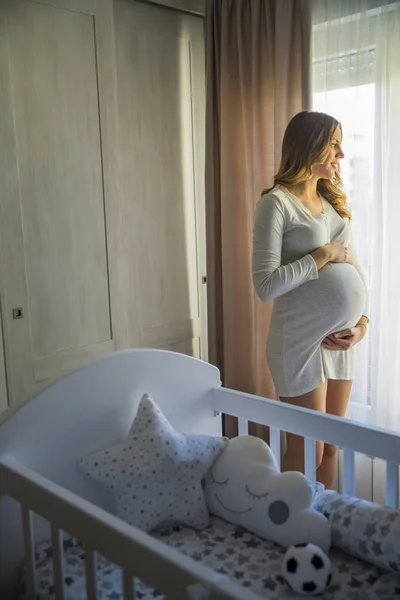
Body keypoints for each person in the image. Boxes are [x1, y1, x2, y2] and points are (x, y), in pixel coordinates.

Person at [252, 111, 369, 489]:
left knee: (332, 447)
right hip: (300, 342)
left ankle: (319, 525)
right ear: (310, 146)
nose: (341, 154)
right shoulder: (277, 203)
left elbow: (358, 276)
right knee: (309, 452)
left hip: (340, 342)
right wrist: (322, 256)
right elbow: (265, 285)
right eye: (334, 144)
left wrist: (362, 326)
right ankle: (289, 530)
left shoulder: (332, 205)